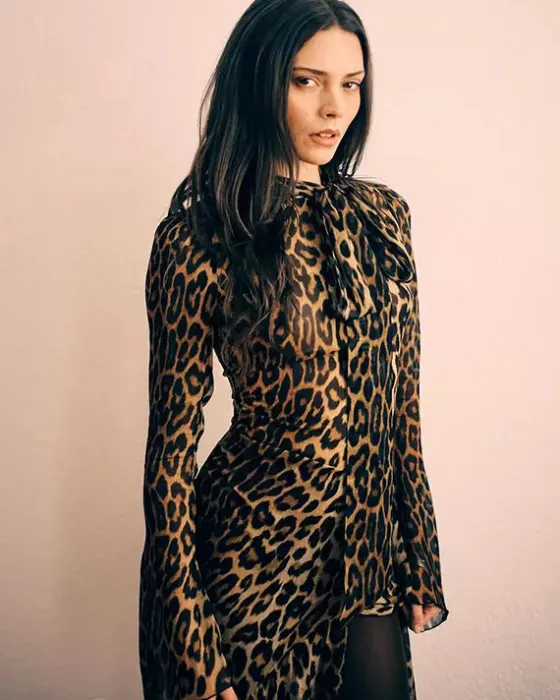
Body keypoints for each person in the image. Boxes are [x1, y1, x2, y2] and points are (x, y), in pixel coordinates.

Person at [138, 0, 449, 698]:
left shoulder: (383, 217)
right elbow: (170, 457)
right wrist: (191, 641)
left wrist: (420, 555)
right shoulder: (201, 236)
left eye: (351, 83)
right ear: (259, 80)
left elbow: (401, 404)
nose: (334, 107)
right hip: (249, 565)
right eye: (306, 81)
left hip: (366, 556)